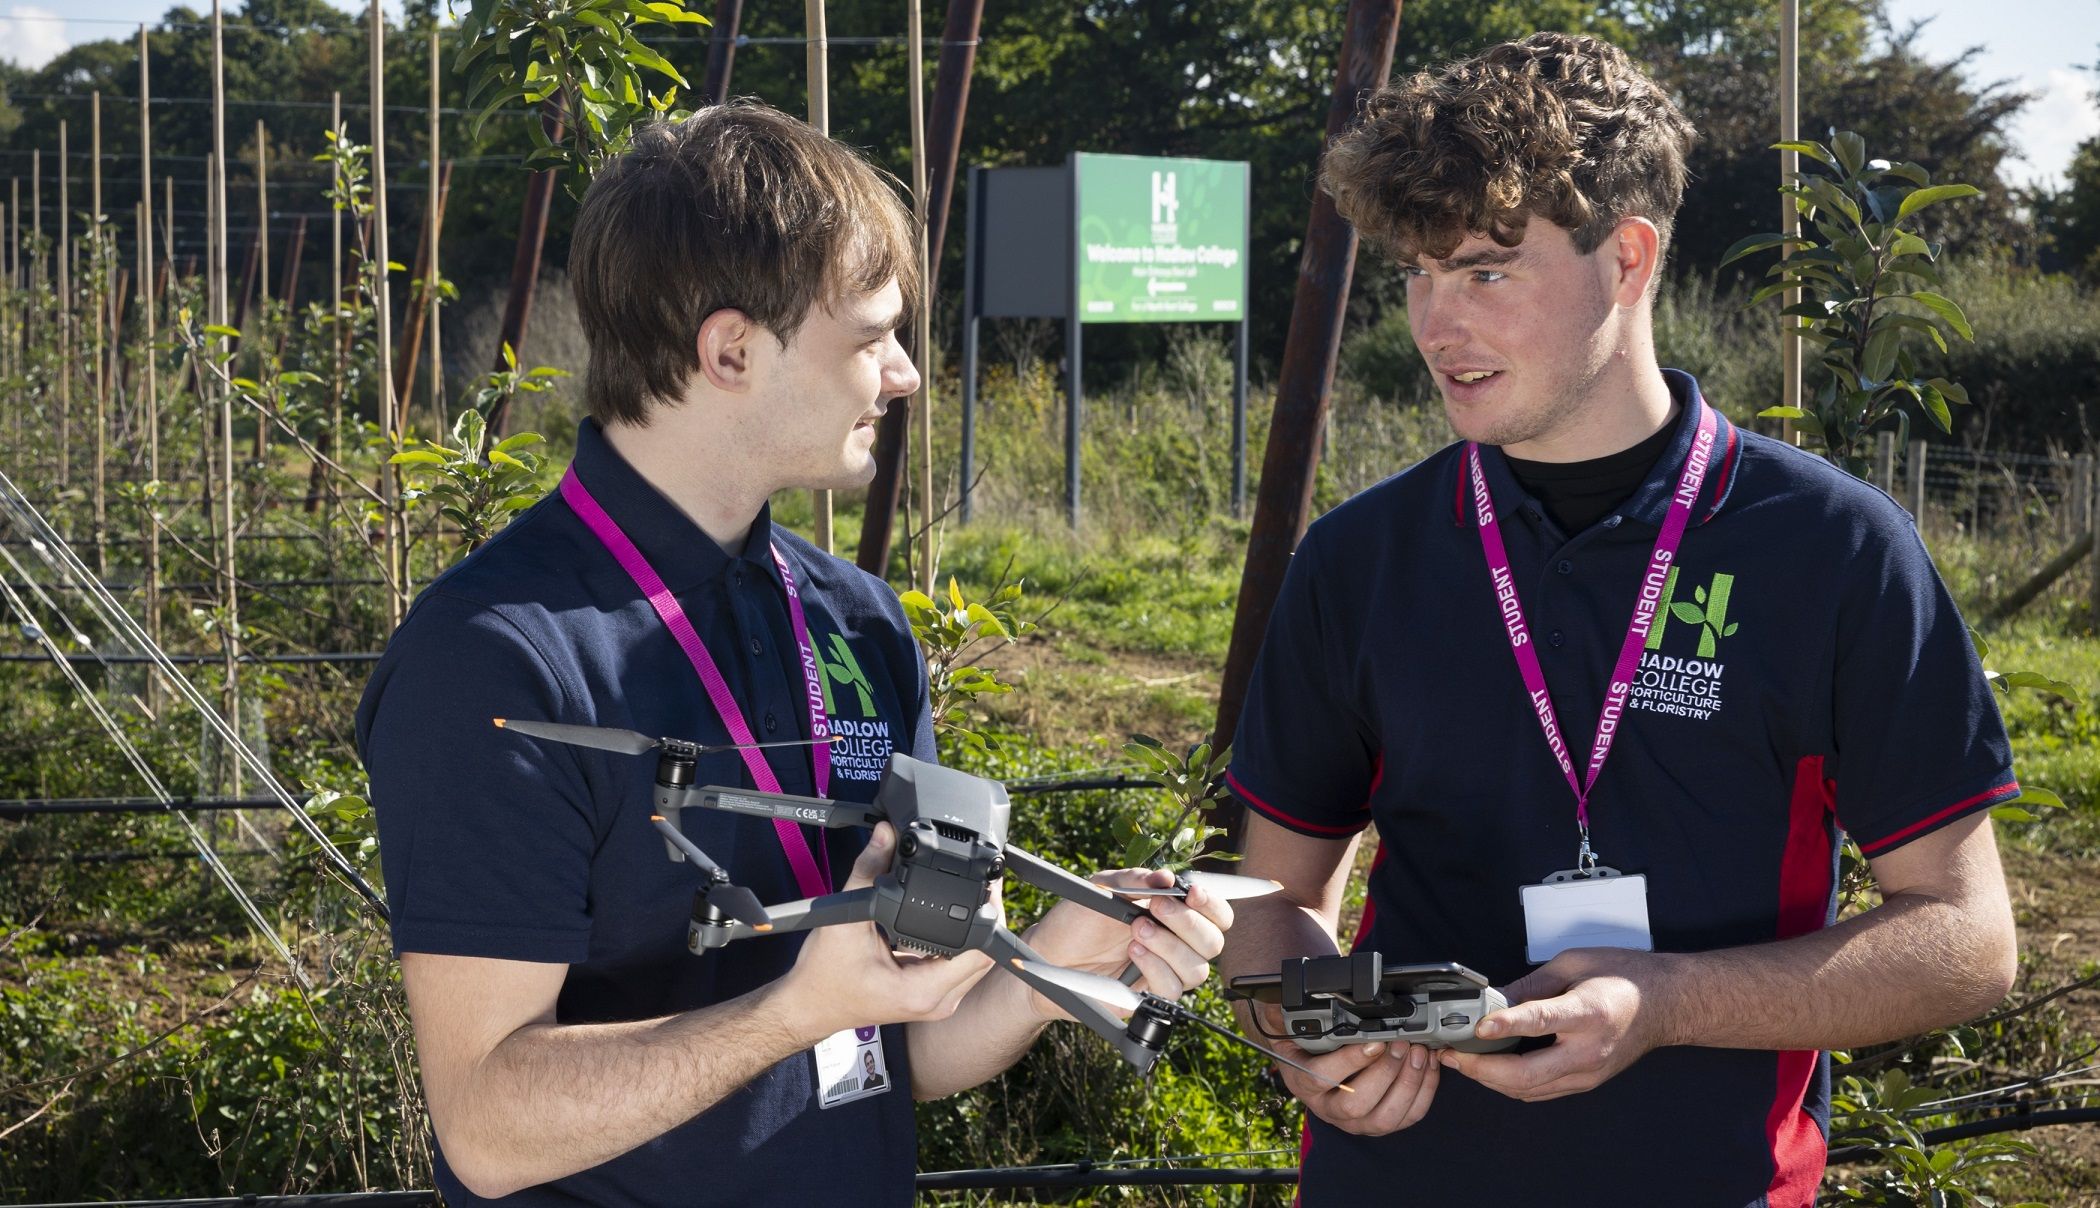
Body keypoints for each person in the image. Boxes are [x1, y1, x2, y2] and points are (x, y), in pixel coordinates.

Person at [356, 101, 1232, 1207]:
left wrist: (1050, 970)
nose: (906, 373)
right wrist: (792, 1008)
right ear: (729, 351)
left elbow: (893, 1047)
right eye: (871, 335)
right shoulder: (496, 663)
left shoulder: (862, 624)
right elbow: (487, 1121)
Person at [1218, 32, 2019, 1206]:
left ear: (1629, 259)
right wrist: (1309, 1033)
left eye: (1486, 270)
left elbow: (1966, 939)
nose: (1436, 326)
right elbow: (1271, 903)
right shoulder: (1359, 558)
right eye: (1417, 274)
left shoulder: (1833, 550)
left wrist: (1669, 1001)